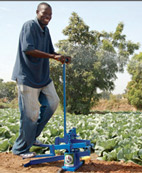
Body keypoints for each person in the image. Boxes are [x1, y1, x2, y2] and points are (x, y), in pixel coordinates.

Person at [11, 2, 71, 158]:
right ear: (37, 12)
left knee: (53, 103)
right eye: (45, 13)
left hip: (42, 77)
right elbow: (28, 49)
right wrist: (52, 56)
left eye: (50, 15)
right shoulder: (29, 26)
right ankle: (20, 149)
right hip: (27, 77)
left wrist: (60, 57)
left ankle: (30, 138)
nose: (47, 17)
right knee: (30, 115)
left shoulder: (46, 30)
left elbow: (50, 51)